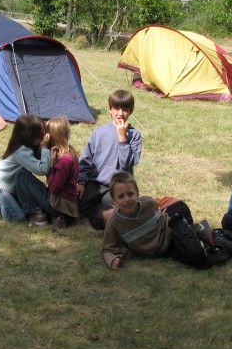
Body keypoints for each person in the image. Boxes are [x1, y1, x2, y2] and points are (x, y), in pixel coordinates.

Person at [102, 172, 215, 271]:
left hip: (172, 229)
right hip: (164, 250)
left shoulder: (148, 203)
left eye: (130, 194)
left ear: (137, 193)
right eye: (121, 196)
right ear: (114, 200)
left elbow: (161, 214)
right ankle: (197, 233)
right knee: (198, 262)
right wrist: (112, 260)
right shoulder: (114, 223)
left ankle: (199, 231)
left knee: (199, 256)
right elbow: (108, 249)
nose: (127, 199)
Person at [77, 89, 142, 218]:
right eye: (116, 108)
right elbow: (86, 159)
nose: (120, 113)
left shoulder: (134, 135)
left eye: (125, 109)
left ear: (131, 111)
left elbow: (126, 163)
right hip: (95, 183)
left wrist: (122, 139)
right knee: (75, 208)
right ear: (110, 109)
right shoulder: (99, 132)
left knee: (117, 214)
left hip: (117, 187)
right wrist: (81, 182)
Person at [0, 114, 52, 225]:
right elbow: (42, 169)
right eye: (40, 134)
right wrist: (45, 148)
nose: (43, 136)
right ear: (29, 135)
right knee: (17, 216)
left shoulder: (27, 146)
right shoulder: (21, 152)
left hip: (11, 186)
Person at [46, 115, 79, 227]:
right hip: (68, 202)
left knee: (23, 177)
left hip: (61, 204)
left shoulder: (64, 160)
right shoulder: (71, 152)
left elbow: (54, 188)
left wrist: (50, 166)